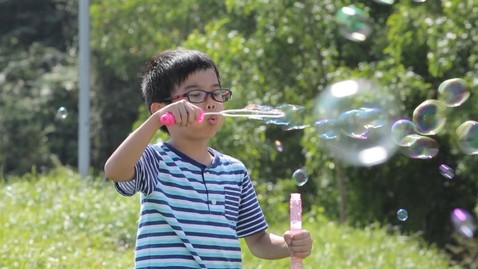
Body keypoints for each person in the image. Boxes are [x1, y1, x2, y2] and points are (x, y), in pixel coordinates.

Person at [104, 49, 313, 269]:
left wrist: (289, 245)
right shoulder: (154, 160)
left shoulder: (234, 171)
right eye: (196, 95)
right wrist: (156, 120)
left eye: (216, 93)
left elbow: (258, 241)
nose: (211, 102)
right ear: (162, 109)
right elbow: (114, 170)